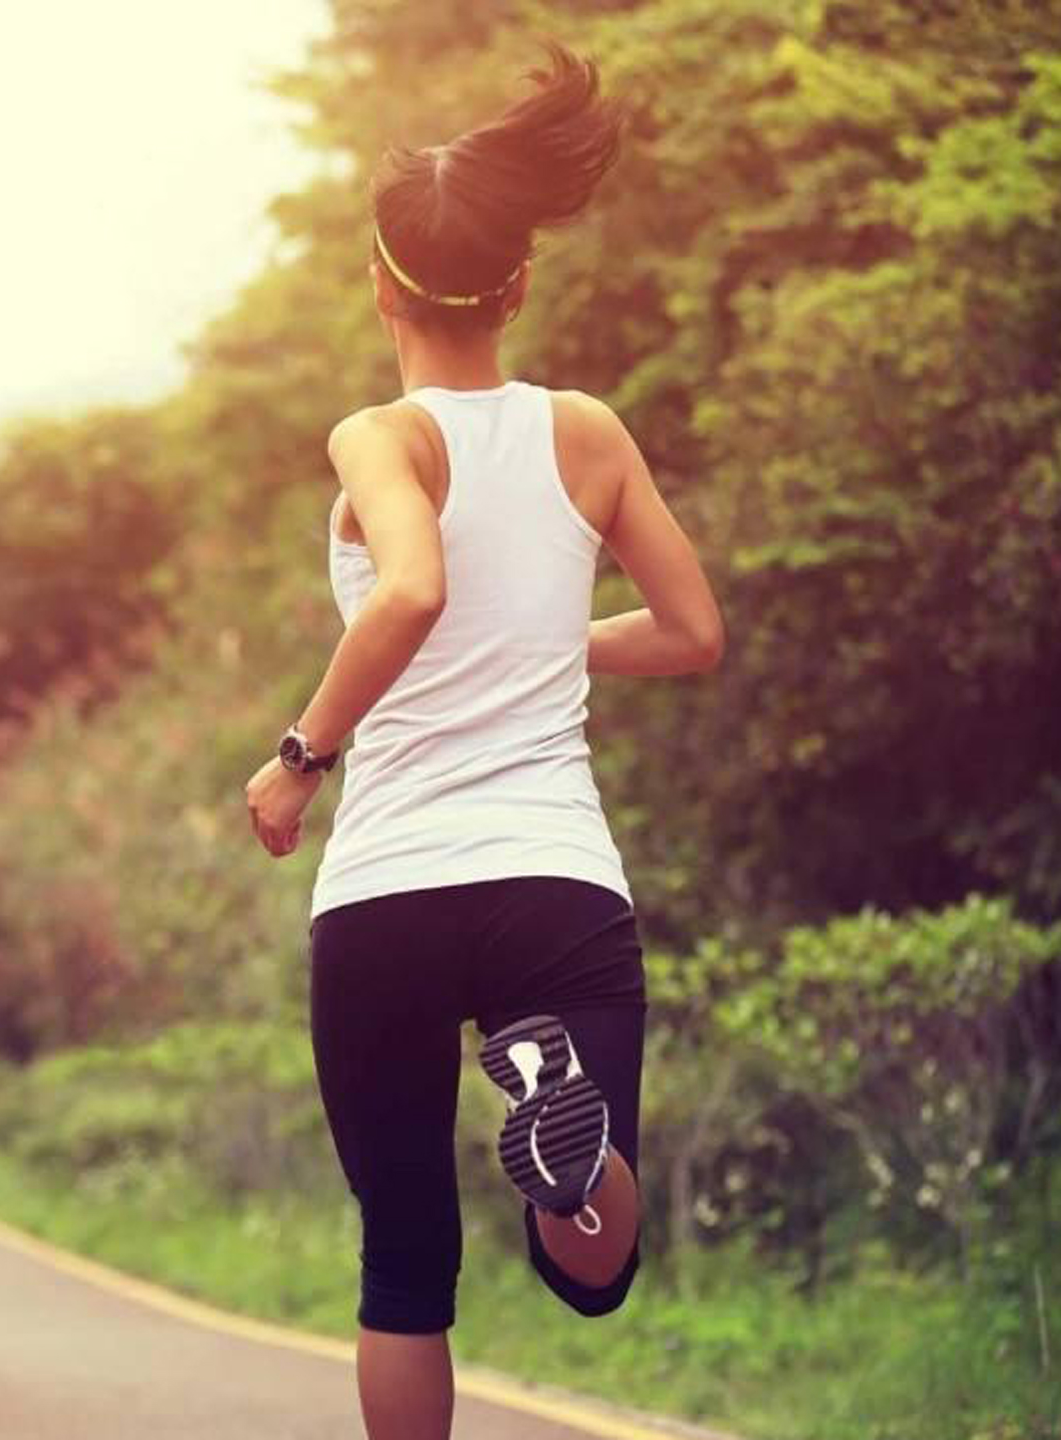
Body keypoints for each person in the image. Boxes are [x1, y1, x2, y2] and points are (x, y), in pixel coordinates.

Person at [243, 40, 723, 1440]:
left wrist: (299, 756)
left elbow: (409, 588)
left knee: (404, 1269)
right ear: (516, 285)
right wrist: (551, 650)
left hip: (386, 891)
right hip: (552, 883)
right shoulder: (587, 432)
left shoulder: (378, 439)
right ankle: (564, 1143)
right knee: (593, 1267)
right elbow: (693, 632)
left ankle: (555, 1135)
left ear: (381, 284)